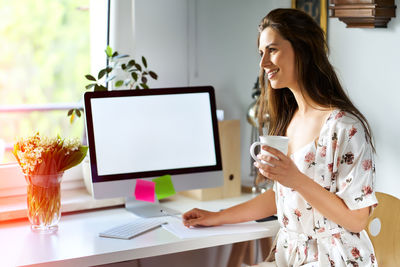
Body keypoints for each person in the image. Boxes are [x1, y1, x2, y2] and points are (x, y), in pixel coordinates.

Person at [183, 8, 378, 267]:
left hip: (333, 257)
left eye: (272, 50)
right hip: (289, 254)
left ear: (303, 49)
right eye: (261, 53)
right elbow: (282, 196)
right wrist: (216, 216)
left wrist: (295, 178)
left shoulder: (345, 127)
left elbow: (357, 219)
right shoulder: (290, 120)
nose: (264, 63)